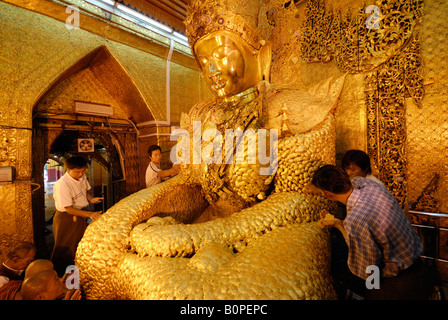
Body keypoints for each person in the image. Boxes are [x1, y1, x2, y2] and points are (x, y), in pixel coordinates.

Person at [312, 164, 433, 300]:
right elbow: (355, 180)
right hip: (419, 267)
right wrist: (339, 222)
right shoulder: (368, 185)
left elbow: (370, 267)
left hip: (400, 284)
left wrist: (373, 291)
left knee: (370, 288)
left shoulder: (355, 220)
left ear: (326, 194)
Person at [51, 155, 103, 276]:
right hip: (66, 218)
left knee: (78, 247)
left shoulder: (82, 177)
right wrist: (90, 214)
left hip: (80, 215)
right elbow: (68, 208)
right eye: (77, 171)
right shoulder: (62, 184)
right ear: (68, 170)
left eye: (83, 171)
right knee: (65, 249)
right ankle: (59, 280)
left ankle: (75, 279)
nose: (81, 174)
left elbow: (84, 191)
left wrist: (91, 199)